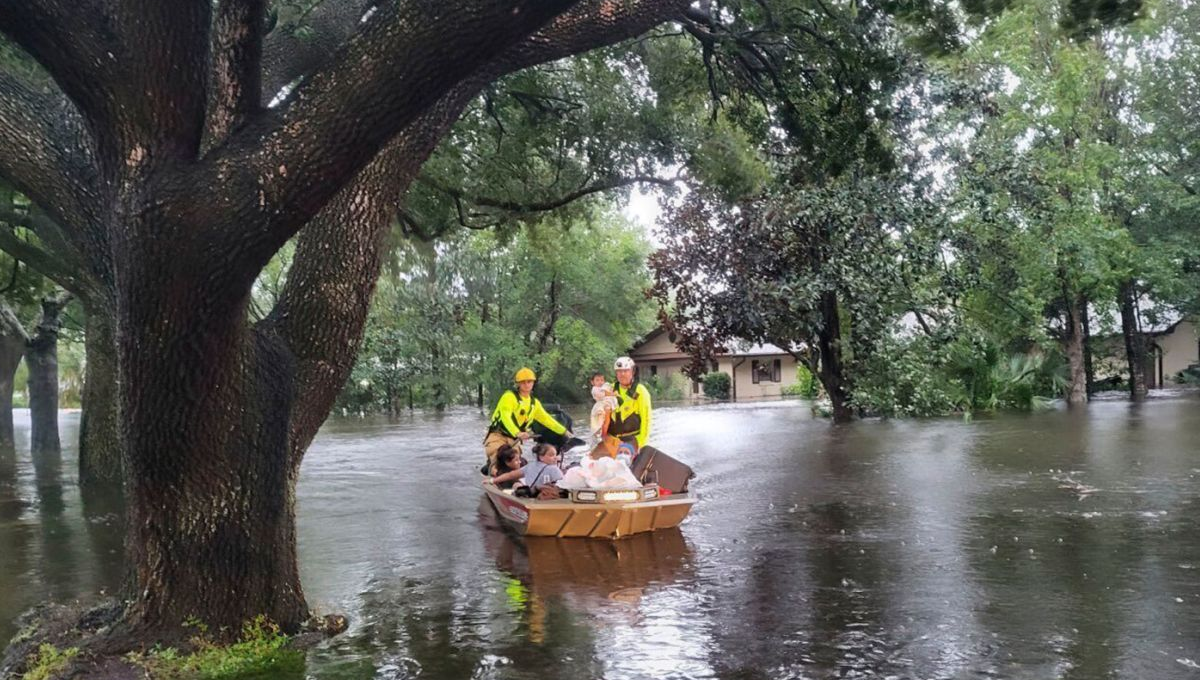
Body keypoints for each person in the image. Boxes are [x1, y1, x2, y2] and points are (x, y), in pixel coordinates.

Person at [483, 367, 570, 469]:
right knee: (497, 460)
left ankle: (518, 481)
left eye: (529, 382)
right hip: (498, 435)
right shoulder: (509, 397)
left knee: (515, 463)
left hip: (514, 439)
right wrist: (517, 433)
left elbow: (547, 420)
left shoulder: (534, 403)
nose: (526, 384)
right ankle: (494, 472)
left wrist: (564, 431)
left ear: (533, 383)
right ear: (518, 384)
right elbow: (505, 417)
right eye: (523, 382)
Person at [607, 356, 652, 451]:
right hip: (613, 439)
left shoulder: (641, 391)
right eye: (619, 371)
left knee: (624, 460)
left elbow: (646, 420)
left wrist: (641, 444)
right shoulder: (609, 389)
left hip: (633, 440)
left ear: (632, 372)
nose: (622, 374)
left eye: (626, 371)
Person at [589, 372, 618, 441]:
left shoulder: (604, 387)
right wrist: (613, 394)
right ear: (592, 382)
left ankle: (604, 435)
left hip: (604, 404)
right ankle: (603, 436)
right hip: (600, 406)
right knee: (602, 422)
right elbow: (605, 394)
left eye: (602, 380)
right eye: (597, 380)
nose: (600, 382)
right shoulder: (595, 389)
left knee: (605, 421)